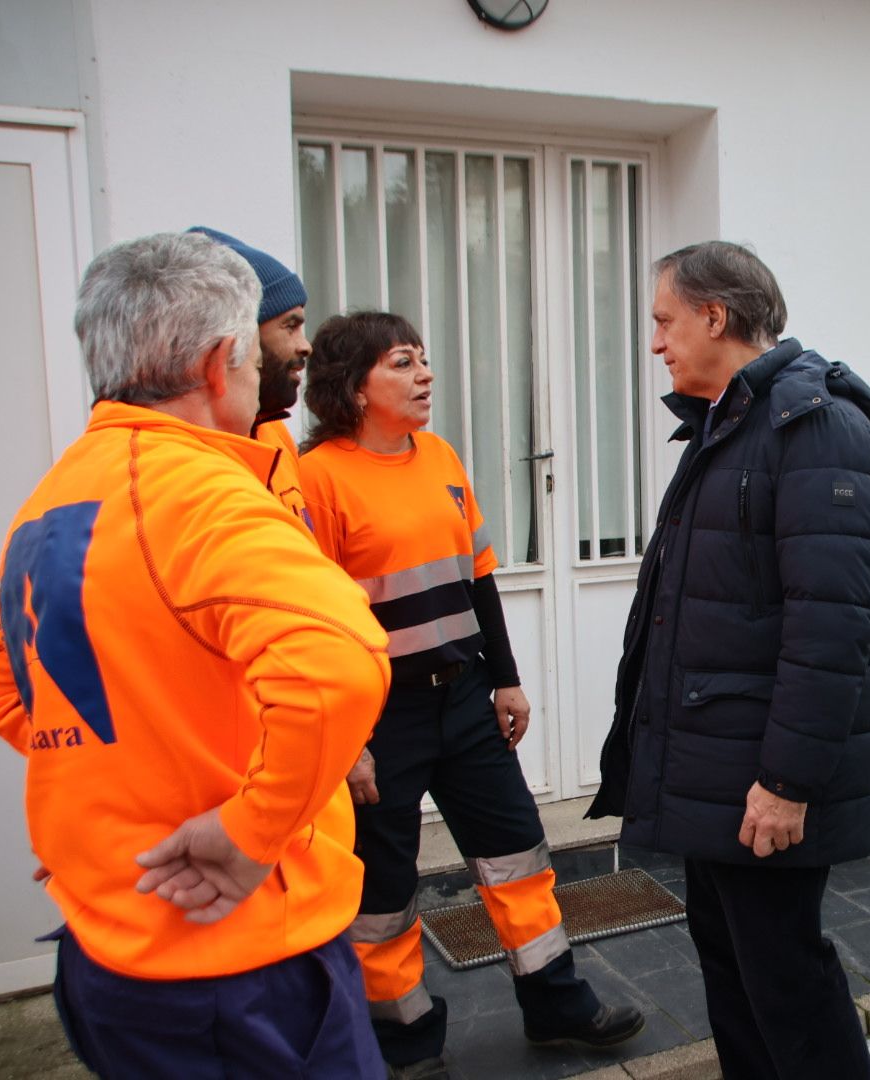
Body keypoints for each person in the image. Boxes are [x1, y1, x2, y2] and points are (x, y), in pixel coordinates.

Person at [0, 231, 392, 1077]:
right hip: (234, 968)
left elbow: (1, 690)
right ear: (218, 362)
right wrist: (248, 828)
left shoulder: (57, 494)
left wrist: (138, 785)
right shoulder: (197, 494)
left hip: (104, 947)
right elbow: (338, 662)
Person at [297, 311, 643, 1069]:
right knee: (384, 891)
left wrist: (507, 679)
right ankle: (406, 1040)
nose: (424, 375)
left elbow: (478, 576)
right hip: (380, 713)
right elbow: (312, 620)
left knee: (518, 853)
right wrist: (345, 737)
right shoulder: (315, 481)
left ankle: (557, 1006)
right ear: (353, 388)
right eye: (401, 363)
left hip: (464, 694)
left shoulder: (441, 456)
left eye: (423, 360)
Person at [587, 241, 870, 1080]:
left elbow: (832, 627)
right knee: (733, 969)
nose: (657, 342)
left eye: (664, 320)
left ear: (715, 316)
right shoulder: (729, 423)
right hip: (718, 760)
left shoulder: (814, 427)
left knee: (786, 981)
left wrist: (789, 781)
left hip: (764, 773)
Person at [187, 226, 314, 529]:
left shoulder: (276, 434)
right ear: (244, 338)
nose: (306, 345)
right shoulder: (191, 452)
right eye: (290, 326)